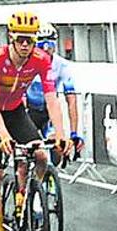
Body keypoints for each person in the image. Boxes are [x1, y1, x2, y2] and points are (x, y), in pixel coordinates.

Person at [0, 11, 69, 231]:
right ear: (11, 38)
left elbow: (52, 97)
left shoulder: (40, 60)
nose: (26, 46)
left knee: (40, 155)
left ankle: (29, 198)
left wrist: (61, 132)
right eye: (21, 40)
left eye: (30, 41)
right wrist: (4, 136)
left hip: (16, 110)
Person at [27, 23, 83, 158]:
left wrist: (74, 133)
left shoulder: (62, 66)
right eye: (42, 46)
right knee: (27, 154)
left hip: (49, 112)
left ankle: (50, 174)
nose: (46, 50)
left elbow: (71, 101)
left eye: (49, 46)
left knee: (57, 148)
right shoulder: (27, 62)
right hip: (28, 111)